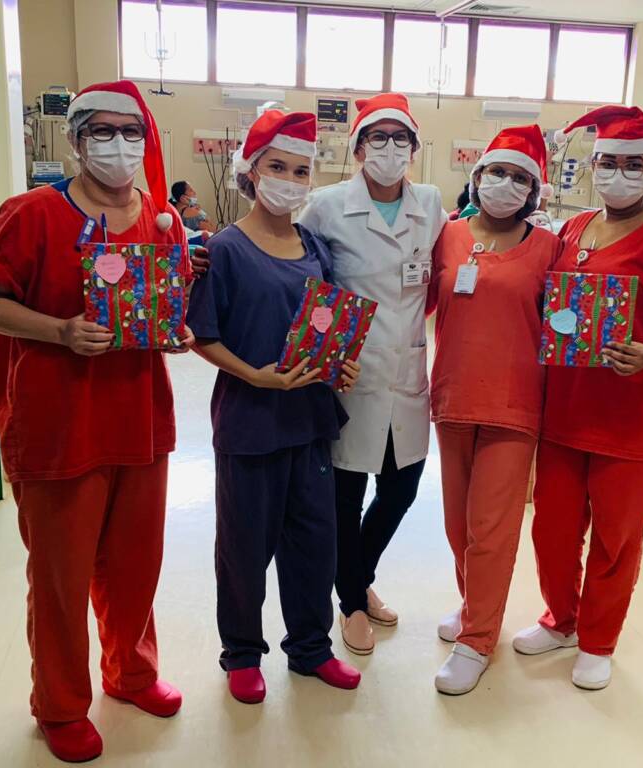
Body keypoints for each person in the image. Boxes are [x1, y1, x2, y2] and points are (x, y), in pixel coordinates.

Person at [0, 80, 205, 763]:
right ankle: (60, 705)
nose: (118, 145)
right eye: (102, 131)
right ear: (74, 139)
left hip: (139, 421)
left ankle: (132, 674)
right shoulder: (32, 214)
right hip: (58, 425)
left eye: (132, 133)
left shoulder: (159, 218)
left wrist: (173, 331)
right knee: (61, 578)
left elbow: (159, 304)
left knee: (134, 566)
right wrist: (60, 331)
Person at [515, 105, 643, 690]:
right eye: (607, 163)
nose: (617, 174)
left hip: (631, 419)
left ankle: (598, 640)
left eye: (632, 165)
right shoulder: (573, 230)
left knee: (616, 539)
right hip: (566, 413)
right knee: (552, 531)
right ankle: (562, 619)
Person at [187, 109, 363, 705]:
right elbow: (202, 335)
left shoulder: (314, 245)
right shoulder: (225, 249)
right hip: (250, 423)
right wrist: (254, 376)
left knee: (314, 543)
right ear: (252, 172)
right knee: (244, 547)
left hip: (309, 422)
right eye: (277, 167)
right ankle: (241, 653)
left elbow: (326, 322)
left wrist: (341, 364)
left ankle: (311, 648)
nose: (289, 180)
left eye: (300, 170)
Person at [299, 93, 447, 656]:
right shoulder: (326, 206)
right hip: (349, 373)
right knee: (345, 494)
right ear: (358, 148)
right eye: (377, 137)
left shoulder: (430, 203)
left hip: (407, 369)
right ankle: (352, 602)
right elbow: (296, 268)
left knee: (401, 489)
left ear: (414, 147)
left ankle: (357, 580)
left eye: (399, 138)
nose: (389, 148)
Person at [427, 125, 560, 695]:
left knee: (491, 529)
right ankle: (473, 604)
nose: (506, 184)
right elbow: (412, 297)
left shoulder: (549, 248)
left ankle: (478, 639)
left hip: (514, 405)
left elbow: (572, 320)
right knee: (457, 526)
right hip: (453, 397)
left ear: (534, 190)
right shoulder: (448, 237)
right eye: (497, 172)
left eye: (519, 178)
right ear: (477, 176)